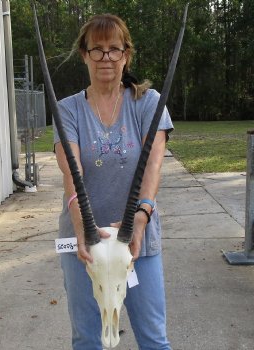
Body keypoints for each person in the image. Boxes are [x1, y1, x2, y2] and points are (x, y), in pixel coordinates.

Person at [54, 14, 174, 350]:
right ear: (84, 54)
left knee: (153, 338)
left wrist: (141, 217)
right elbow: (70, 172)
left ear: (126, 55)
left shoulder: (148, 103)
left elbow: (153, 166)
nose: (106, 58)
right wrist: (81, 228)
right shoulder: (68, 110)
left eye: (114, 49)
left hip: (137, 240)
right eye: (97, 50)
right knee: (88, 339)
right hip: (84, 244)